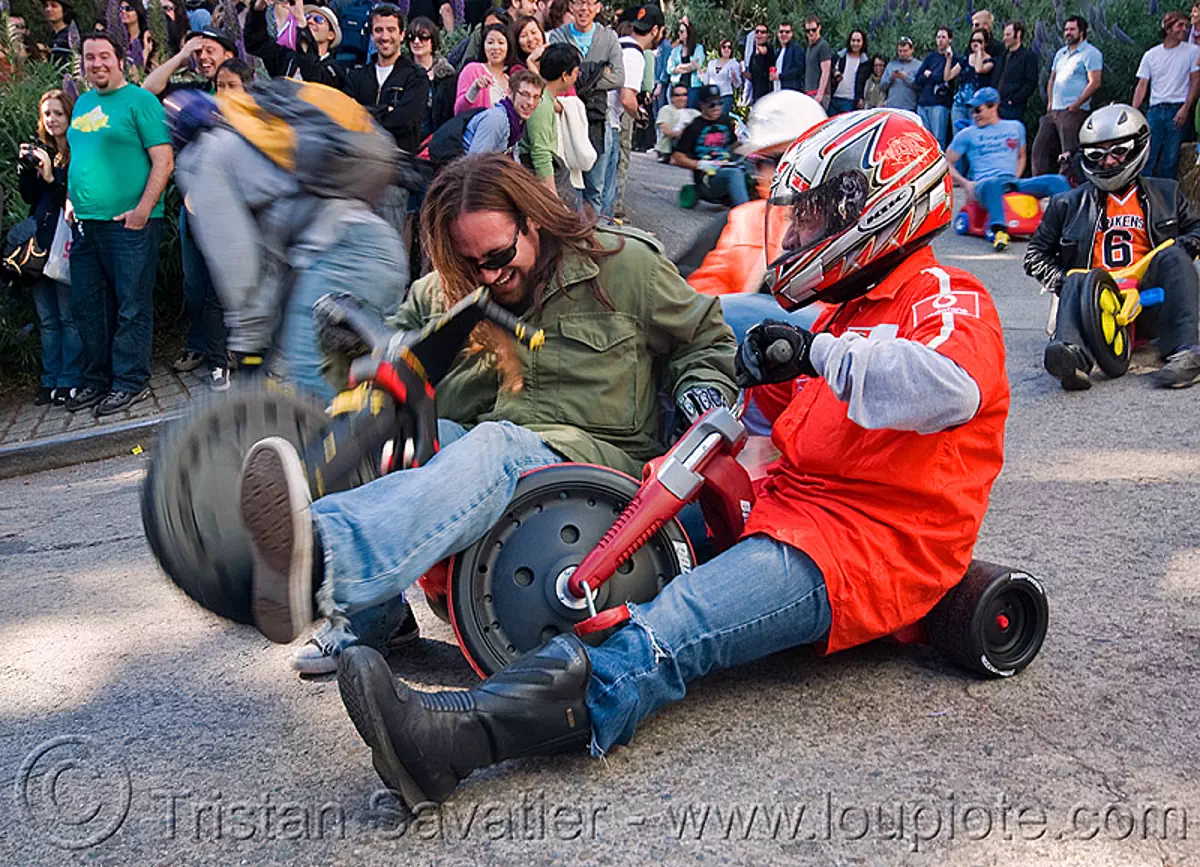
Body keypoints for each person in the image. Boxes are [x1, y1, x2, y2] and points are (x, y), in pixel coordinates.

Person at [323, 111, 1011, 812]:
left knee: (671, 627)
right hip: (786, 507)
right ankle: (398, 600)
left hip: (860, 547)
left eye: (812, 216)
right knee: (628, 542)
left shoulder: (947, 298)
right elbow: (761, 407)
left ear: (881, 209)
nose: (798, 233)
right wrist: (731, 384)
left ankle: (458, 739)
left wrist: (816, 354)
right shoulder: (844, 313)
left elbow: (948, 387)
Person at [228, 152, 736, 674]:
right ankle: (371, 621)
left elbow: (703, 339)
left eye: (498, 255)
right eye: (472, 264)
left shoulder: (624, 265)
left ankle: (319, 559)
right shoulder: (446, 290)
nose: (490, 276)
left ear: (532, 220)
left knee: (497, 444)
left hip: (601, 470)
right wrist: (346, 348)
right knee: (381, 432)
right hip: (486, 459)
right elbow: (384, 377)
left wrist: (704, 389)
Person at [1025, 104, 1200, 390]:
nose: (1107, 162)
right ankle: (1072, 358)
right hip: (1093, 304)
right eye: (1097, 154)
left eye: (1119, 151)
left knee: (1174, 256)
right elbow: (1035, 255)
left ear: (1139, 146)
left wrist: (1185, 243)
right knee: (1076, 276)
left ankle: (1186, 353)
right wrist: (1064, 281)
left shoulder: (1166, 193)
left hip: (1149, 297)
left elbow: (1196, 228)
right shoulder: (1067, 204)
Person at [64, 32, 174, 416]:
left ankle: (130, 382)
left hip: (129, 225)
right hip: (86, 226)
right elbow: (79, 155)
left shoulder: (140, 101)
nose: (96, 64)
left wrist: (143, 209)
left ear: (121, 60)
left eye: (104, 57)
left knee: (131, 305)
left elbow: (163, 159)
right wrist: (70, 198)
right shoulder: (81, 103)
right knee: (89, 308)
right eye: (89, 57)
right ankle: (98, 380)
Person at [945, 87, 1070, 252]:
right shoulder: (967, 134)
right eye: (972, 111)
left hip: (1012, 182)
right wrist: (966, 184)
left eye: (978, 110)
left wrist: (1015, 177)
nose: (974, 115)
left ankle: (1070, 225)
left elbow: (1021, 156)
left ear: (993, 106)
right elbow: (946, 163)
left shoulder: (1015, 127)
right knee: (993, 184)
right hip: (985, 184)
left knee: (1057, 181)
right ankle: (1000, 231)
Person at [18, 88, 82, 407]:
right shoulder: (41, 150)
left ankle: (70, 377)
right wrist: (27, 169)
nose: (52, 119)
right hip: (40, 246)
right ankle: (50, 377)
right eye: (47, 114)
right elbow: (29, 198)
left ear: (69, 115)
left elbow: (71, 198)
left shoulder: (80, 151)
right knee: (47, 317)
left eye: (58, 113)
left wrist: (49, 178)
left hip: (67, 243)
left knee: (69, 316)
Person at [547, 0, 624, 211]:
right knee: (567, 185)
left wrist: (574, 79)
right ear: (571, 6)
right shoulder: (558, 35)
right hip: (564, 119)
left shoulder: (608, 37)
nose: (584, 8)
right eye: (579, 2)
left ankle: (594, 238)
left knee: (595, 189)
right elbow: (553, 72)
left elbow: (618, 77)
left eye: (590, 3)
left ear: (598, 7)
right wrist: (598, 71)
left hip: (598, 119)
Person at [602, 1, 661, 221]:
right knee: (606, 183)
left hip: (598, 113)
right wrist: (639, 115)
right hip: (610, 120)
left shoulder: (619, 43)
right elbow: (627, 99)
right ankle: (605, 228)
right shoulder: (635, 54)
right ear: (655, 30)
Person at [344, 5, 430, 155]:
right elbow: (346, 116)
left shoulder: (416, 77)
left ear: (402, 35)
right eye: (378, 30)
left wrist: (364, 113)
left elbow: (404, 120)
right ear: (371, 36)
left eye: (391, 30)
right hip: (359, 160)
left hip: (399, 164)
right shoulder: (356, 76)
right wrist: (385, 110)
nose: (384, 37)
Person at [1132, 11, 1200, 180]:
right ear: (1168, 29)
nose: (1184, 30)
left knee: (1170, 160)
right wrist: (1133, 111)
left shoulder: (1193, 52)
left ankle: (1167, 200)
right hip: (1155, 110)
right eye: (1180, 25)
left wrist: (1186, 108)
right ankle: (1144, 197)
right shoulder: (1151, 55)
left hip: (1177, 109)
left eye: (1186, 26)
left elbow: (1195, 81)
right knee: (1148, 157)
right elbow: (1142, 85)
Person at [1032, 16, 1102, 176]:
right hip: (1054, 110)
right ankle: (1038, 184)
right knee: (1039, 148)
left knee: (1068, 154)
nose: (1067, 33)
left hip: (1073, 111)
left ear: (1082, 32)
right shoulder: (1060, 54)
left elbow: (1095, 82)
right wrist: (1050, 102)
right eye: (1066, 30)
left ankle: (1067, 189)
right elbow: (1052, 79)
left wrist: (1077, 104)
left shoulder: (1091, 53)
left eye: (1072, 29)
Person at [521, 42, 585, 194]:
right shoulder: (541, 104)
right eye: (576, 72)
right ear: (564, 75)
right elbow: (540, 152)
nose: (577, 77)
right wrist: (552, 195)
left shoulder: (546, 99)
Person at [672, 84, 748, 206]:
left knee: (755, 174)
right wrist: (699, 165)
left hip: (727, 166)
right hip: (707, 177)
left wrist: (746, 145)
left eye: (720, 103)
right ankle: (745, 216)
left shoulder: (725, 121)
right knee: (734, 174)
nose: (716, 108)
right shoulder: (694, 127)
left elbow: (733, 146)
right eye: (712, 105)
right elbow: (676, 158)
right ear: (702, 105)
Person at [244, 0, 347, 88]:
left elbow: (313, 77)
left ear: (331, 35)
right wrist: (258, 10)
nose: (310, 21)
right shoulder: (288, 56)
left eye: (318, 20)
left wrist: (302, 23)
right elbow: (255, 44)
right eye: (307, 17)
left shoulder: (335, 68)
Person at [461, 68, 543, 158]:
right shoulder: (496, 120)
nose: (530, 102)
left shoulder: (515, 122)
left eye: (536, 97)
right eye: (524, 94)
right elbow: (475, 163)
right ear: (510, 92)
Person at [142, 27, 236, 96]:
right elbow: (148, 89)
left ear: (228, 56)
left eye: (210, 51)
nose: (202, 57)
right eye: (198, 52)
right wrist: (180, 57)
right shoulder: (197, 91)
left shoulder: (244, 90)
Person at [406, 17, 456, 141]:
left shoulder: (447, 76)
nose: (416, 41)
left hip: (436, 141)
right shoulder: (401, 72)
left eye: (423, 37)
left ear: (433, 40)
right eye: (412, 37)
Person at [915, 26, 959, 147]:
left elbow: (943, 78)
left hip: (940, 104)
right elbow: (918, 78)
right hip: (923, 103)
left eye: (943, 37)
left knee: (938, 141)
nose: (940, 40)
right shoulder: (931, 57)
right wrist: (931, 76)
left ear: (950, 40)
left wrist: (930, 75)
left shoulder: (953, 59)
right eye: (938, 37)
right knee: (923, 140)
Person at [456, 23, 514, 113]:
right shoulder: (472, 70)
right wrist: (474, 89)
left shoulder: (511, 81)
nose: (495, 47)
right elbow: (459, 110)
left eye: (501, 43)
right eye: (490, 42)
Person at [993, 20, 1038, 122]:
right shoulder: (1002, 56)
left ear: (1018, 34)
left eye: (1008, 34)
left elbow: (1031, 82)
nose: (1004, 38)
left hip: (1013, 108)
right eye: (1004, 35)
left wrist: (1014, 100)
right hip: (996, 105)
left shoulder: (1028, 56)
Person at [951, 29, 994, 135]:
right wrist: (948, 60)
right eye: (973, 40)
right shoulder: (965, 59)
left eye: (979, 41)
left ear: (986, 43)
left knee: (974, 136)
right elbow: (948, 76)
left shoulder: (990, 61)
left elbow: (979, 69)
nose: (975, 43)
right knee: (958, 136)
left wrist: (979, 52)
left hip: (976, 105)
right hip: (960, 103)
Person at [655, 81, 697, 161]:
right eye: (678, 95)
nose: (682, 98)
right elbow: (666, 130)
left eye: (684, 95)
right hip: (671, 145)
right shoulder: (666, 110)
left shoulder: (693, 113)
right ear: (672, 98)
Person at [831, 29, 870, 114]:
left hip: (850, 100)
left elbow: (864, 82)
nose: (855, 43)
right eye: (853, 40)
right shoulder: (840, 56)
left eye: (858, 41)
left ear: (863, 42)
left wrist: (861, 97)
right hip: (835, 97)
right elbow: (830, 67)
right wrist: (835, 73)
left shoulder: (865, 62)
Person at [667, 18, 704, 105]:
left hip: (693, 87)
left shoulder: (698, 48)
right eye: (679, 31)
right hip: (677, 86)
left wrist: (679, 67)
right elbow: (670, 69)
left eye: (682, 31)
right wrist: (689, 66)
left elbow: (696, 66)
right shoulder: (676, 50)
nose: (679, 33)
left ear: (688, 33)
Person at [703, 38, 741, 117]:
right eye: (724, 47)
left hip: (726, 96)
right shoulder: (711, 63)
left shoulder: (734, 64)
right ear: (720, 49)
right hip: (712, 96)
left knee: (722, 119)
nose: (726, 49)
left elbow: (737, 84)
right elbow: (706, 80)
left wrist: (734, 77)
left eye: (729, 47)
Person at [881, 37, 921, 111]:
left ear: (912, 50)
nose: (902, 54)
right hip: (891, 107)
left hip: (909, 108)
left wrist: (905, 78)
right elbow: (882, 86)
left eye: (905, 51)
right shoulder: (891, 64)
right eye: (900, 51)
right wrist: (891, 78)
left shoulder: (918, 65)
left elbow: (920, 87)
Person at [802, 14, 832, 110]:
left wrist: (820, 94)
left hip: (819, 95)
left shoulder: (823, 46)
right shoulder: (809, 47)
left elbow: (826, 71)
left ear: (819, 28)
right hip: (810, 93)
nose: (811, 33)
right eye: (808, 30)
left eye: (813, 30)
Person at [118, 0, 156, 69]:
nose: (123, 12)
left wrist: (146, 51)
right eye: (120, 9)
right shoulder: (118, 39)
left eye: (128, 9)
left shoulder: (148, 38)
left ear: (138, 11)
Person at [771, 20, 804, 93]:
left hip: (791, 92)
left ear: (791, 34)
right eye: (781, 31)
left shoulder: (796, 49)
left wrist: (780, 76)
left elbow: (799, 69)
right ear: (778, 34)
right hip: (777, 90)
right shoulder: (778, 51)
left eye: (787, 32)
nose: (784, 34)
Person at [42, 0, 74, 68]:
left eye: (54, 6)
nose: (48, 9)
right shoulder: (50, 35)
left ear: (65, 10)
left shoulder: (70, 35)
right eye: (47, 6)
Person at [746, 23, 773, 103]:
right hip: (755, 93)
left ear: (767, 35)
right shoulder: (753, 52)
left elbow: (764, 52)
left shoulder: (769, 48)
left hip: (767, 94)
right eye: (757, 32)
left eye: (762, 32)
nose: (759, 34)